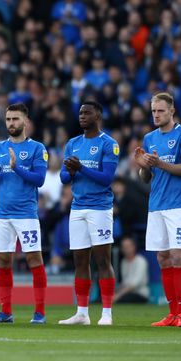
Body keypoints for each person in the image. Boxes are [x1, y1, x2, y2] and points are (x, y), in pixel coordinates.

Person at [134, 92, 181, 327]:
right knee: (162, 257)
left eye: (160, 110)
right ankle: (171, 314)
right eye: (153, 111)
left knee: (177, 255)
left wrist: (159, 163)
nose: (156, 115)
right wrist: (144, 167)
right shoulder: (149, 138)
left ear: (172, 111)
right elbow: (146, 177)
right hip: (156, 205)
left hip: (178, 205)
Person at [0, 103, 49, 324]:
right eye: (8, 119)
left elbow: (39, 180)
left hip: (26, 214)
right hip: (3, 214)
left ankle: (39, 312)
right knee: (2, 260)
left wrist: (17, 167)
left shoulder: (37, 149)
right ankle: (6, 312)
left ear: (25, 122)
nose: (11, 123)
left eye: (15, 119)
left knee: (33, 258)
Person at [58, 101, 119, 326]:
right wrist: (71, 171)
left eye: (88, 113)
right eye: (81, 113)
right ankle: (82, 312)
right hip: (77, 207)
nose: (83, 116)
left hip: (100, 208)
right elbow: (64, 178)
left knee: (103, 259)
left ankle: (107, 313)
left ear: (98, 116)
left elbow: (107, 178)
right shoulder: (72, 144)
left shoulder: (109, 144)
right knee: (80, 261)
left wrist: (82, 168)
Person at [113, 237, 150, 304]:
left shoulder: (141, 261)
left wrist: (118, 295)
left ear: (134, 247)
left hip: (140, 294)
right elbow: (125, 282)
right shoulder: (124, 262)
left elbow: (134, 284)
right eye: (124, 247)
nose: (126, 249)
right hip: (126, 293)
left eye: (128, 246)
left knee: (121, 300)